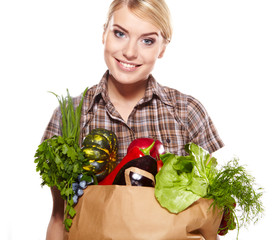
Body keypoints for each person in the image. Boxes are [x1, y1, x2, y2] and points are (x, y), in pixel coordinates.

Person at [42, 0, 224, 239]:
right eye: (120, 34)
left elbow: (207, 217)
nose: (129, 52)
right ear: (104, 32)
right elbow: (59, 216)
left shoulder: (187, 112)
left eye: (147, 40)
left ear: (163, 47)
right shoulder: (69, 116)